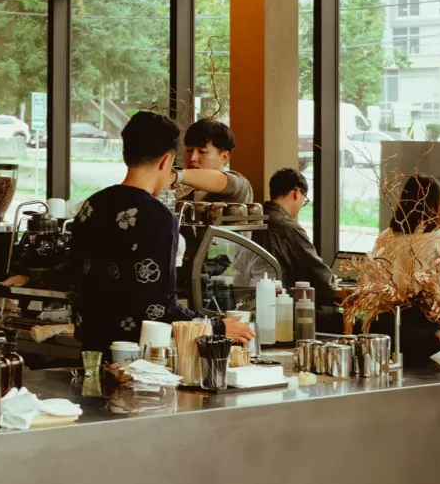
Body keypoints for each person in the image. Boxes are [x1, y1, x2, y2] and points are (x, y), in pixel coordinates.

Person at [71, 109, 253, 354]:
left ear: (125, 156)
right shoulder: (157, 216)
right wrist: (216, 327)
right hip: (137, 354)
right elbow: (157, 308)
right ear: (167, 161)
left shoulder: (92, 205)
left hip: (91, 346)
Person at [372, 173, 440, 362]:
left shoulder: (385, 236)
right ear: (437, 203)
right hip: (423, 331)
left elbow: (372, 280)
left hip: (384, 327)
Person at [260, 168, 341, 309]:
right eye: (305, 199)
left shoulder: (254, 219)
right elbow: (319, 275)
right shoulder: (289, 228)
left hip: (254, 302)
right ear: (297, 193)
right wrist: (333, 280)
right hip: (283, 307)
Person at [176, 118, 255, 207]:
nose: (192, 158)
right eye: (189, 150)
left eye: (202, 152)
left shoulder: (239, 187)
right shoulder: (183, 203)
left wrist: (175, 175)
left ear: (224, 157)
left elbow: (221, 180)